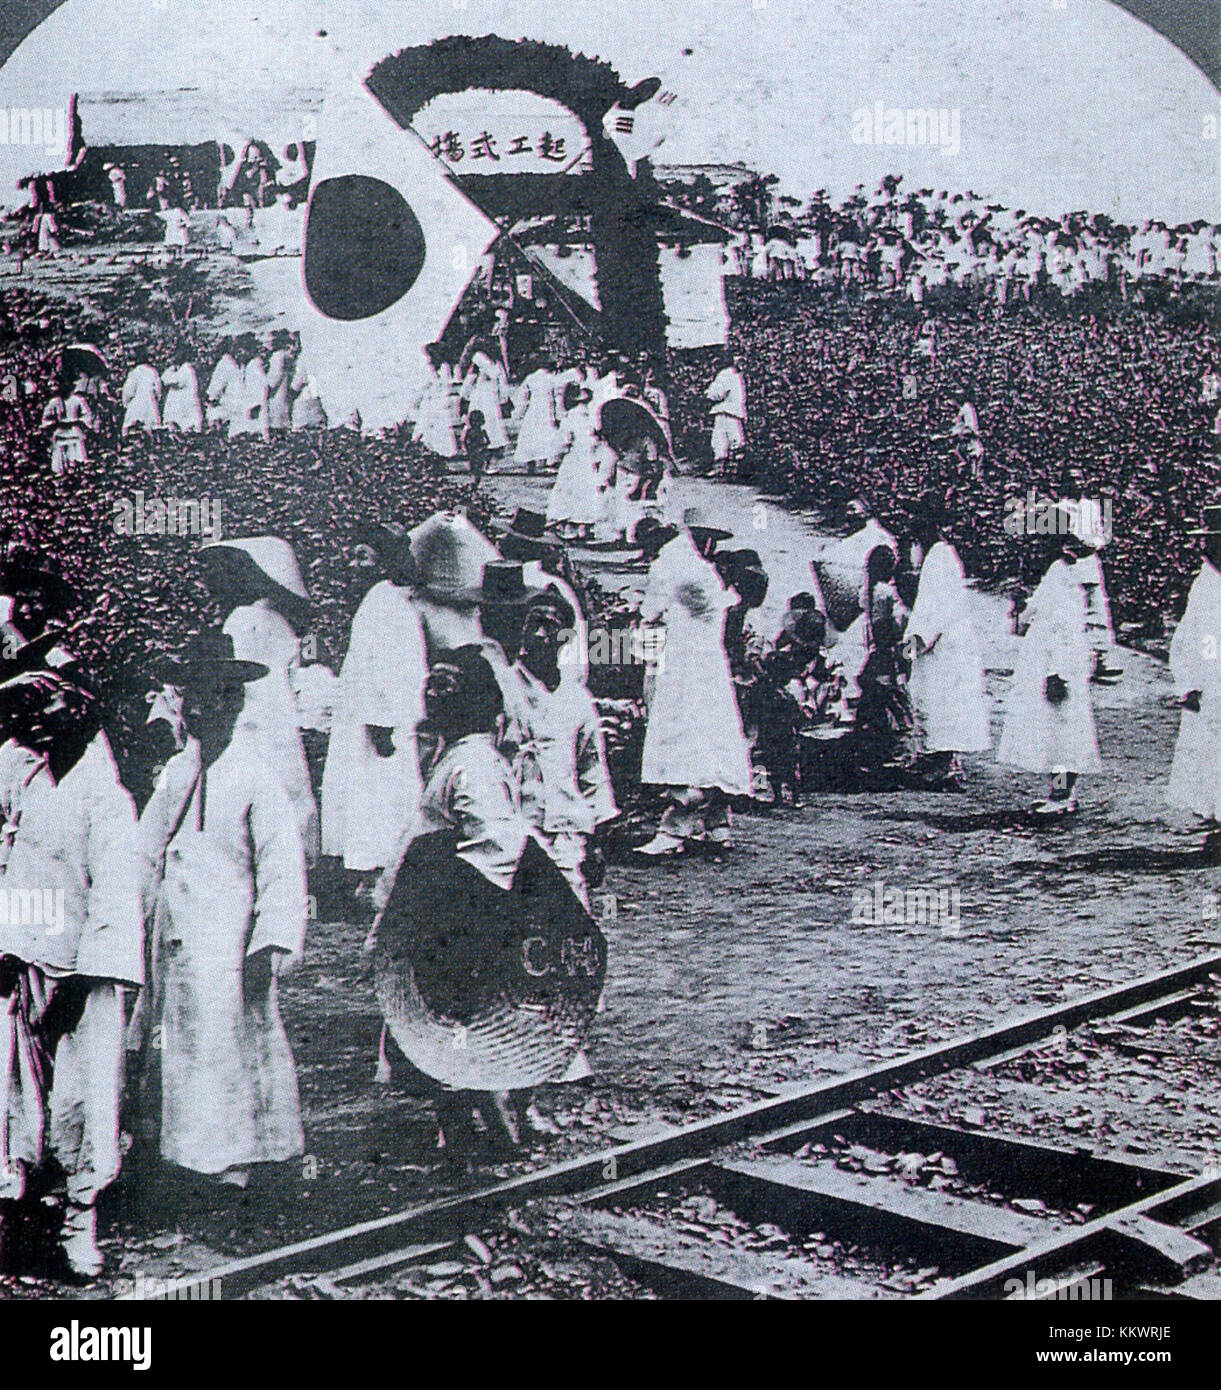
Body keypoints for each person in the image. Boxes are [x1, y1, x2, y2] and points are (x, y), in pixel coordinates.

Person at [136, 631, 307, 1187]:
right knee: (181, 1040)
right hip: (177, 934)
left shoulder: (256, 774)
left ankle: (245, 1154)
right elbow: (147, 852)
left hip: (232, 937)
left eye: (217, 695)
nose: (203, 708)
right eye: (193, 696)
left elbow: (283, 866)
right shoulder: (176, 773)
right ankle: (188, 1153)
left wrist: (270, 942)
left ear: (235, 701)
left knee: (233, 1040)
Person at [0, 667, 143, 1276]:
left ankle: (81, 1223)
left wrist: (82, 985)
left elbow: (114, 900)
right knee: (18, 1092)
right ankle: (21, 1209)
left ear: (83, 726)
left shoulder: (109, 802)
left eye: (52, 721)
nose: (39, 732)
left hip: (84, 977)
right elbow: (19, 872)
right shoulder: (32, 784)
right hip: (28, 961)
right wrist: (7, 950)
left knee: (85, 1101)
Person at [636, 508, 753, 856]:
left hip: (693, 662)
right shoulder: (691, 567)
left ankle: (687, 826)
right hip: (695, 659)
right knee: (705, 733)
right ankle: (712, 823)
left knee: (692, 732)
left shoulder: (684, 566)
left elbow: (649, 611)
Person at [201, 537, 318, 863]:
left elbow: (231, 674)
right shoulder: (282, 621)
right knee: (285, 784)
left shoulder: (242, 619)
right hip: (278, 716)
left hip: (249, 714)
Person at [321, 527, 428, 875]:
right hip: (374, 718)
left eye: (363, 556)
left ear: (384, 562)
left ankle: (379, 868)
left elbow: (386, 667)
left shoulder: (387, 602)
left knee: (380, 791)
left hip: (384, 720)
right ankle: (368, 868)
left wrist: (382, 721)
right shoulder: (382, 600)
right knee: (371, 791)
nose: (355, 565)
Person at [507, 588, 617, 906]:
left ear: (565, 637)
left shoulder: (577, 699)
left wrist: (595, 842)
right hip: (516, 831)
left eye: (551, 625)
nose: (541, 634)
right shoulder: (504, 688)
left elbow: (592, 769)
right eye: (534, 624)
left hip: (565, 832)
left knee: (572, 921)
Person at [996, 526, 1101, 817]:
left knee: (1065, 730)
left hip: (1061, 663)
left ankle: (1062, 795)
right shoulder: (1054, 575)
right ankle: (1059, 793)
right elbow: (1028, 622)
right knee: (1055, 732)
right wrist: (1018, 607)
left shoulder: (1065, 576)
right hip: (1049, 660)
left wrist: (1057, 672)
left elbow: (1064, 629)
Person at [905, 501, 991, 785]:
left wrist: (915, 640)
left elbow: (934, 607)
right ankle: (936, 758)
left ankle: (947, 765)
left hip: (944, 642)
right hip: (946, 640)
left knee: (943, 700)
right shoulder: (937, 555)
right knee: (936, 698)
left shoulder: (939, 558)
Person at [1166, 505, 1221, 846]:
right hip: (1211, 678)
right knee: (1210, 751)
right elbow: (1190, 638)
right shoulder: (1206, 585)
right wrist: (1190, 683)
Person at [511, 358, 563, 473]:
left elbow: (523, 397)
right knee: (547, 433)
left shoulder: (531, 378)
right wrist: (559, 415)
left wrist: (518, 413)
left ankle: (530, 462)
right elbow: (558, 399)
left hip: (534, 409)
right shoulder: (553, 379)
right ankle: (547, 461)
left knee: (531, 433)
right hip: (547, 409)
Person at [40, 378, 95, 473]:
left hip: (74, 428)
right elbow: (45, 418)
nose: (68, 392)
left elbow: (88, 414)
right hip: (60, 429)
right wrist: (54, 422)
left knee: (78, 448)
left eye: (70, 389)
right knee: (58, 451)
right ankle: (59, 470)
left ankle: (78, 467)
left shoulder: (78, 400)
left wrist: (79, 420)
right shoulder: (55, 401)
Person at [706, 356, 746, 476]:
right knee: (734, 438)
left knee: (721, 439)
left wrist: (708, 394)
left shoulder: (726, 374)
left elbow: (717, 394)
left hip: (725, 411)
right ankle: (733, 468)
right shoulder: (738, 376)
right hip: (734, 411)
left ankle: (723, 468)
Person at [160, 359, 203, 434]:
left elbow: (167, 380)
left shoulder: (185, 369)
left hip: (186, 408)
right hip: (183, 407)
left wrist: (171, 369)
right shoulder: (185, 370)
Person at [120, 362, 163, 435]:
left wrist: (126, 403)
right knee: (151, 428)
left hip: (137, 405)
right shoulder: (153, 371)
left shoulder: (135, 372)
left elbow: (128, 391)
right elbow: (159, 391)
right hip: (152, 405)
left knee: (132, 427)